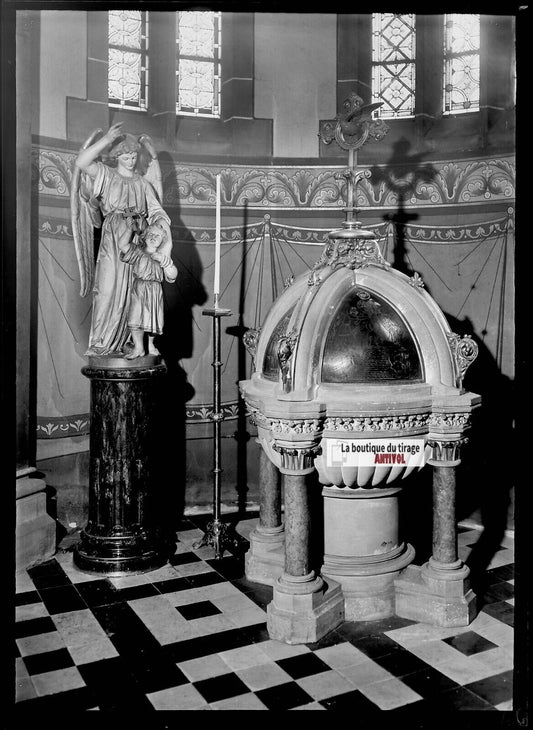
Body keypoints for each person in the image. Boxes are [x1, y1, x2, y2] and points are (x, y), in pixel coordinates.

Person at [74, 122, 171, 356]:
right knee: (107, 290)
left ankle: (131, 342)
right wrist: (107, 139)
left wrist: (162, 236)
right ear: (116, 155)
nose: (130, 159)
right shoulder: (106, 175)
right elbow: (82, 162)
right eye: (125, 155)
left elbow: (158, 212)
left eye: (133, 155)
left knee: (134, 293)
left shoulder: (142, 183)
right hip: (113, 240)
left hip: (137, 240)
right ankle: (101, 342)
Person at [118, 223, 178, 359]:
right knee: (135, 317)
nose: (153, 237)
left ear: (162, 241)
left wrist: (165, 262)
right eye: (150, 234)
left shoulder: (162, 256)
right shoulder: (138, 252)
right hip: (139, 288)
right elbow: (122, 245)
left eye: (157, 236)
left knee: (153, 320)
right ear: (144, 237)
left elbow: (173, 274)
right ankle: (139, 347)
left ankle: (150, 345)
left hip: (155, 291)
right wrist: (129, 228)